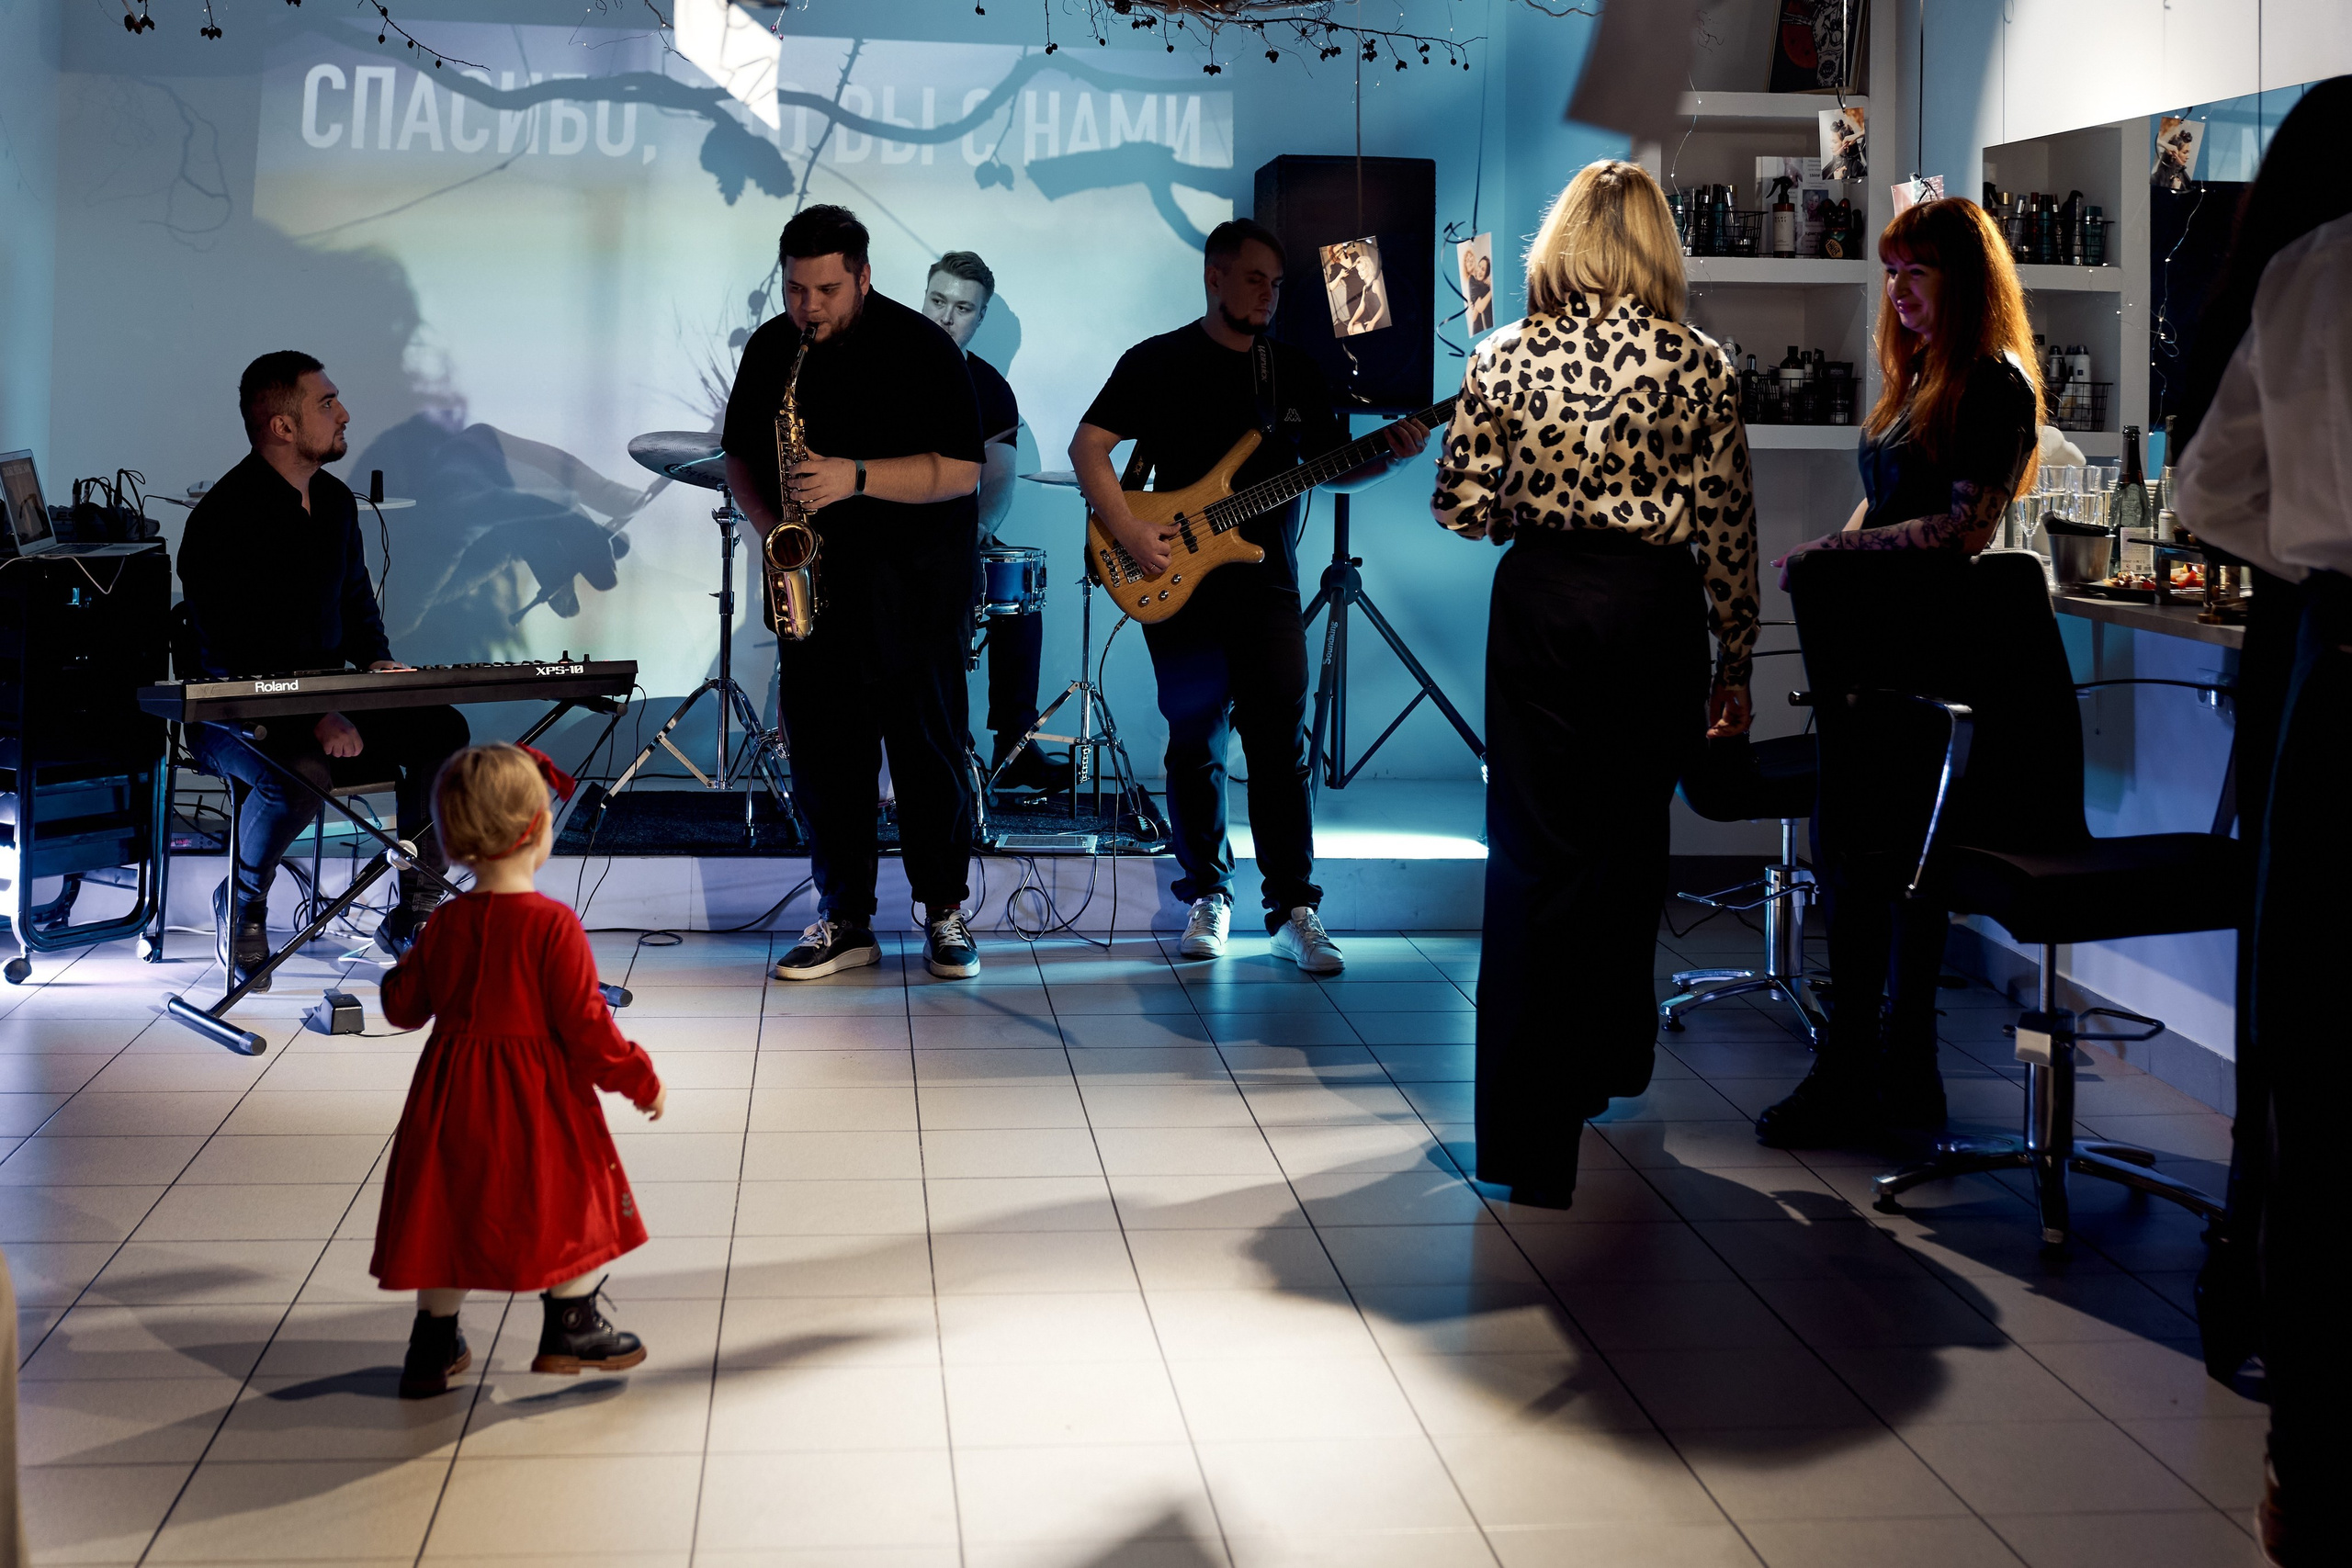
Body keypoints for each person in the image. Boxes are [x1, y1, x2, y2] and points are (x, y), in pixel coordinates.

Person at [1432, 160, 1758, 1208]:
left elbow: (1463, 510)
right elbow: (1726, 532)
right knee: (1623, 852)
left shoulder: (1502, 355)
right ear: (1658, 247)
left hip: (1539, 608)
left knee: (1529, 862)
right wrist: (1735, 663)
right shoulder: (1701, 364)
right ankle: (1599, 1066)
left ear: (1559, 243)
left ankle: (1526, 1141)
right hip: (1652, 616)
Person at [2168, 75, 2352, 1568]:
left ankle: (2308, 1466)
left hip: (2337, 674)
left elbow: (2206, 498)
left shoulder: (2308, 271)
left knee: (2313, 1062)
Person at [1069, 218, 1427, 971]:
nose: (1268, 294)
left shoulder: (1289, 372)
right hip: (1177, 581)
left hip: (1267, 586)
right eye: (1254, 279)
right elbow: (1087, 445)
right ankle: (1207, 893)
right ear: (1215, 278)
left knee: (1279, 747)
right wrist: (1131, 532)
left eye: (1276, 283)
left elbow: (1331, 465)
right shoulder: (1158, 361)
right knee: (1194, 742)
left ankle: (1294, 908)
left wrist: (1388, 460)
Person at [1761, 197, 2042, 1148]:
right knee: (1852, 859)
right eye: (1890, 272)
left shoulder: (1992, 386)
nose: (1898, 291)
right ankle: (1861, 1071)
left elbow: (1966, 530)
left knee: (1898, 872)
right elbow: (1885, 500)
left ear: (1961, 280)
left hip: (1933, 665)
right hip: (1873, 660)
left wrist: (1841, 555)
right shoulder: (1919, 378)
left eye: (1915, 272)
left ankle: (1893, 1074)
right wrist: (1830, 550)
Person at [722, 206, 987, 982]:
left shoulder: (924, 348)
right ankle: (844, 918)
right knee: (827, 765)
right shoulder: (776, 348)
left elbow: (961, 471)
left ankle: (943, 911)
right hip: (819, 596)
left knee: (928, 762)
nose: (808, 308)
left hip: (916, 598)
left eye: (827, 290)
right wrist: (774, 530)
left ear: (864, 276)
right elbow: (741, 453)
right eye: (796, 288)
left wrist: (855, 477)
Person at [370, 742, 664, 1400]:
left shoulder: (444, 922)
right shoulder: (555, 926)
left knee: (450, 1212)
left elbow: (403, 1007)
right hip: (539, 1099)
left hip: (451, 1098)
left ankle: (432, 1341)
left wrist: (402, 967)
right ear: (535, 830)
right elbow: (589, 1029)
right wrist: (640, 1078)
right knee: (566, 1200)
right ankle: (572, 1325)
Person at [178, 351, 470, 988]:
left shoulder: (335, 502)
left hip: (323, 700)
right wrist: (319, 714)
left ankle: (414, 909)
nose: (344, 414)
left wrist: (376, 660)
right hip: (235, 713)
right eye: (326, 403)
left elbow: (356, 603)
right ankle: (245, 902)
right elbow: (237, 654)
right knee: (302, 773)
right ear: (282, 427)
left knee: (441, 729)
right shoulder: (222, 521)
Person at [920, 249, 1069, 794]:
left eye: (962, 308)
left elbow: (1000, 480)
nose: (946, 316)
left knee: (1018, 594)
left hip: (956, 530)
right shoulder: (886, 366)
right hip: (888, 533)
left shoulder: (989, 388)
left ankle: (1014, 748)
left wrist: (978, 530)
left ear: (979, 318)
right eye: (937, 300)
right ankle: (930, 745)